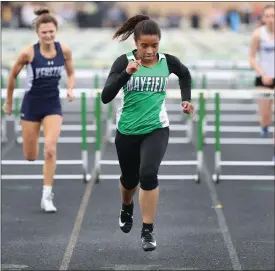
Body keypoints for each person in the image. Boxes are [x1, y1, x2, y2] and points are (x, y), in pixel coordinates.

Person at [101, 14, 194, 252]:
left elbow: (185, 74)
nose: (150, 51)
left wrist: (186, 100)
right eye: (144, 46)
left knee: (148, 174)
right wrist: (127, 74)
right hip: (128, 130)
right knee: (129, 180)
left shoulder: (168, 61)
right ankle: (126, 205)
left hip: (156, 127)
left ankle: (147, 231)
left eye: (154, 45)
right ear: (136, 44)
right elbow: (106, 97)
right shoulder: (123, 62)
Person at [2, 7, 75, 212]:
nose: (48, 35)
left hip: (52, 105)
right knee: (30, 156)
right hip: (31, 105)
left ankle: (47, 195)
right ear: (38, 33)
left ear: (56, 31)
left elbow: (71, 73)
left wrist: (70, 88)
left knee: (50, 150)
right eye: (44, 32)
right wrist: (8, 102)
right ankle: (44, 186)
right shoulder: (29, 52)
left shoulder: (64, 50)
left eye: (51, 31)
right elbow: (12, 76)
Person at [248, 4, 274, 161]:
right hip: (264, 79)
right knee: (265, 117)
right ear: (264, 18)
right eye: (268, 16)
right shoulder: (258, 35)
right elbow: (251, 58)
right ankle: (264, 125)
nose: (271, 19)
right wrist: (262, 74)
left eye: (274, 16)